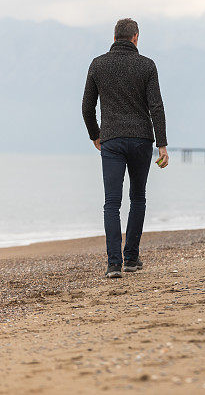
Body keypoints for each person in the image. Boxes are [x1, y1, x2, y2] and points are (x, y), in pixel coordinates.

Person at [82, 18, 169, 278]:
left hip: (112, 141)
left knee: (112, 203)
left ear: (115, 37)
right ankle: (131, 258)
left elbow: (87, 107)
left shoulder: (98, 64)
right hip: (142, 139)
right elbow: (156, 107)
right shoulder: (147, 65)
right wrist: (162, 144)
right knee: (138, 198)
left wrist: (95, 135)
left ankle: (113, 264)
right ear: (135, 37)